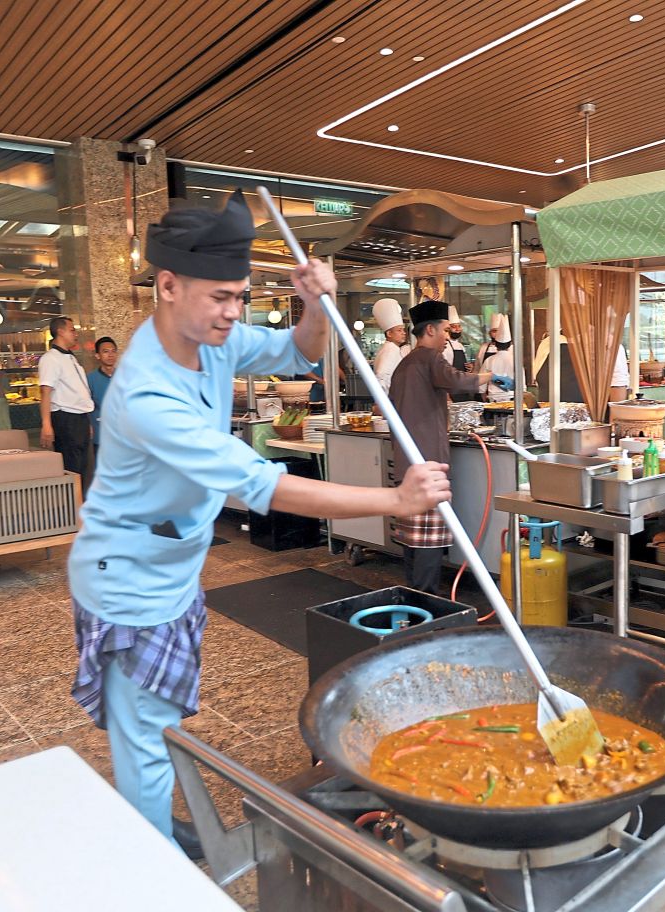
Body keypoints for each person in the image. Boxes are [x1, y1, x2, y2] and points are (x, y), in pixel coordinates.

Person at [66, 191, 450, 854]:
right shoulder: (147, 392)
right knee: (143, 732)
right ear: (167, 284)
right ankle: (150, 867)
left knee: (152, 722)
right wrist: (393, 502)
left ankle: (151, 816)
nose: (233, 313)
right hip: (126, 578)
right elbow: (264, 485)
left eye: (241, 296)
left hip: (172, 568)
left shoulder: (208, 336)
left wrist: (314, 305)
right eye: (221, 297)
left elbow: (297, 350)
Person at [389, 299, 492, 592]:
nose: (448, 336)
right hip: (427, 463)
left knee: (412, 541)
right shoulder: (429, 359)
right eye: (445, 330)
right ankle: (427, 606)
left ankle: (413, 602)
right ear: (431, 329)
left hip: (407, 463)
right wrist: (490, 376)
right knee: (427, 543)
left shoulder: (405, 363)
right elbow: (457, 380)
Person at [39, 315, 94, 479]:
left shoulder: (70, 357)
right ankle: (72, 503)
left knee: (83, 467)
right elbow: (45, 392)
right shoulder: (50, 358)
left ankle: (80, 502)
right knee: (72, 468)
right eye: (72, 330)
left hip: (80, 419)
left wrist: (86, 419)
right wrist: (46, 424)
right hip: (66, 419)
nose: (76, 334)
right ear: (60, 332)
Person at [87, 337, 118, 461]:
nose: (110, 355)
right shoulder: (90, 379)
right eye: (105, 351)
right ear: (97, 356)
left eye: (113, 351)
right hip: (101, 433)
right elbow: (86, 406)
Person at [371, 298, 410, 395]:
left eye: (403, 330)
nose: (403, 333)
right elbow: (381, 376)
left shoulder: (391, 348)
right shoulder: (390, 350)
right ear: (389, 333)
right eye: (399, 330)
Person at [440, 305, 475, 402]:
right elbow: (444, 373)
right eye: (453, 327)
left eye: (459, 326)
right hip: (453, 391)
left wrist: (469, 368)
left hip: (463, 389)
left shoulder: (461, 346)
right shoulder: (445, 346)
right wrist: (447, 396)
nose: (457, 329)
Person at [479, 313, 516, 403]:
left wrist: (484, 396)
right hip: (512, 398)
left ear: (496, 345)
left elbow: (481, 385)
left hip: (493, 399)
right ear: (509, 344)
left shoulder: (489, 360)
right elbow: (522, 386)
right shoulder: (516, 360)